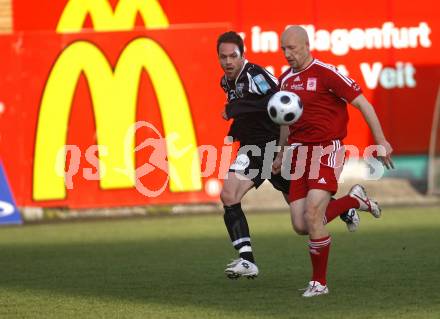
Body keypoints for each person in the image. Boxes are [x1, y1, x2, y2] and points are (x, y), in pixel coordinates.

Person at [216, 31, 360, 280]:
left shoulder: (254, 75)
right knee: (295, 217)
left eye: (233, 56)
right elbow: (251, 114)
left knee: (299, 219)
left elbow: (278, 100)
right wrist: (236, 127)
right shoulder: (227, 81)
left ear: (243, 55)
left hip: (271, 147)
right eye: (223, 57)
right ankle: (247, 260)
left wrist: (236, 109)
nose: (228, 62)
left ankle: (348, 204)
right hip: (254, 148)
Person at [272, 26, 394, 297]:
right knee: (301, 225)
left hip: (328, 149)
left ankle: (319, 283)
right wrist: (281, 153)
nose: (287, 54)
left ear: (306, 44)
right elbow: (284, 122)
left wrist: (381, 141)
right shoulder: (285, 81)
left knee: (314, 213)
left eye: (292, 48)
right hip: (300, 154)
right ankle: (354, 200)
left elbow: (364, 104)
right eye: (283, 49)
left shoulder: (326, 73)